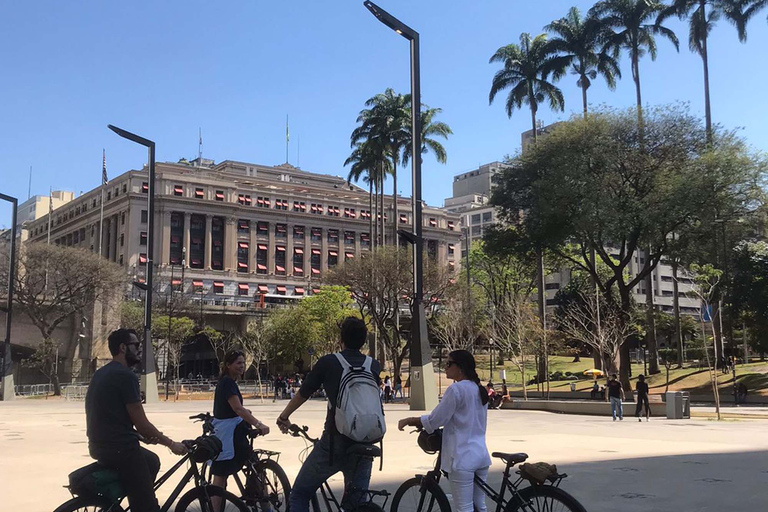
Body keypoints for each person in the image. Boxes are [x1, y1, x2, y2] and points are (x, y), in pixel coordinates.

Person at [276, 317, 382, 512]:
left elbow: (304, 392)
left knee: (299, 493)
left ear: (341, 339)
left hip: (334, 444)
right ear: (364, 340)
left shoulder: (329, 362)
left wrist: (284, 417)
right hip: (366, 443)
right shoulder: (373, 365)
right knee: (356, 503)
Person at [85, 329, 188, 512]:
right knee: (148, 507)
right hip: (121, 449)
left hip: (99, 445)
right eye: (136, 345)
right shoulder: (126, 376)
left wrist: (142, 435)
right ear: (123, 348)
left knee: (152, 462)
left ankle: (130, 498)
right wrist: (171, 444)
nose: (140, 349)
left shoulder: (101, 373)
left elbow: (113, 416)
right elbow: (142, 423)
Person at [398, 350, 492, 512]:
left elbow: (436, 420)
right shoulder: (478, 390)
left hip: (462, 458)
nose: (445, 367)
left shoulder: (456, 390)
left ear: (460, 368)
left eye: (449, 364)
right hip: (481, 455)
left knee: (464, 508)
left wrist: (410, 420)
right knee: (479, 507)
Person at [210, 350, 270, 495]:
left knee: (221, 474)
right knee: (221, 474)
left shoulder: (226, 382)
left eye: (243, 363)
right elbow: (238, 409)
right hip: (229, 435)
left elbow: (234, 409)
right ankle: (264, 503)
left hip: (228, 432)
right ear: (228, 365)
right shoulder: (228, 383)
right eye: (238, 363)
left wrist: (244, 412)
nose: (242, 366)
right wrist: (259, 424)